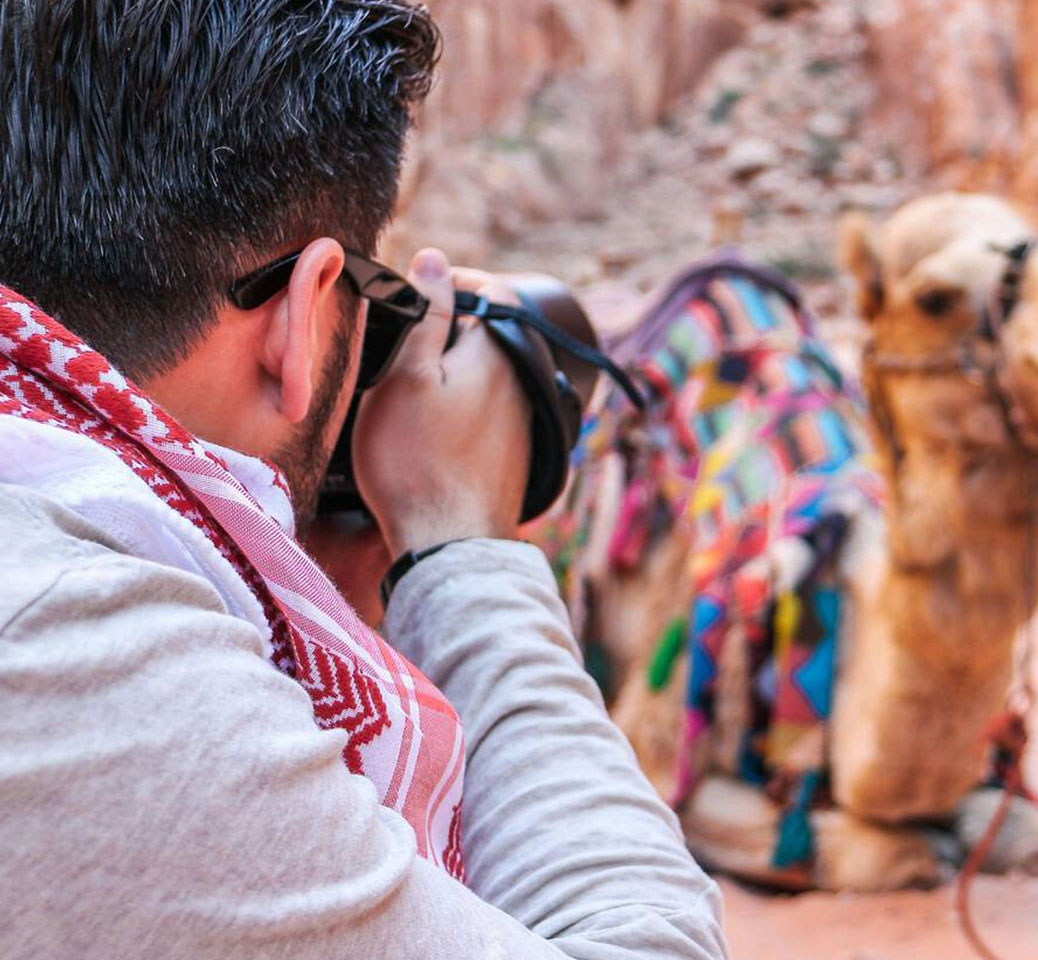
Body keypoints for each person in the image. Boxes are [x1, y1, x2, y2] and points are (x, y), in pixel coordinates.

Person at [0, 4, 725, 960]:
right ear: (303, 318)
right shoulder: (78, 654)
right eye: (368, 307)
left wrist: (281, 594)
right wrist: (460, 547)